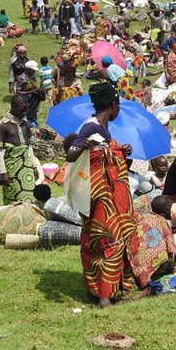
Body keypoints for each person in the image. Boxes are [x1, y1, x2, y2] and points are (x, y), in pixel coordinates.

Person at [65, 82, 135, 308]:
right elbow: (70, 155)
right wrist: (81, 147)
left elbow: (107, 155)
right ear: (114, 105)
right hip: (98, 196)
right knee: (107, 241)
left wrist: (121, 150)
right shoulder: (90, 127)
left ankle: (97, 291)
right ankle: (104, 297)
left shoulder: (104, 129)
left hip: (107, 195)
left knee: (98, 239)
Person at [0, 95, 38, 205]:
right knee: (13, 198)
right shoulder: (2, 125)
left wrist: (34, 166)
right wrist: (3, 173)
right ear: (13, 107)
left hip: (27, 168)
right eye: (21, 110)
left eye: (26, 110)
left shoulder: (25, 124)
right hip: (12, 169)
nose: (24, 113)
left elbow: (29, 146)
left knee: (30, 197)